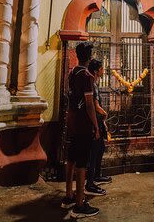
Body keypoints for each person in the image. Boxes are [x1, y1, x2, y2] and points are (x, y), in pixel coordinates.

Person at [62, 41, 101, 218]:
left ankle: (69, 194)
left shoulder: (72, 71)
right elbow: (89, 105)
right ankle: (79, 204)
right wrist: (96, 125)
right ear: (90, 56)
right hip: (83, 124)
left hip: (71, 120)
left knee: (71, 158)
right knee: (82, 162)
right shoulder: (86, 76)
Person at [85, 58, 112, 194]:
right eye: (102, 68)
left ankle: (97, 175)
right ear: (96, 71)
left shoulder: (94, 83)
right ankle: (90, 183)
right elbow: (94, 105)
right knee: (94, 152)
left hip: (98, 122)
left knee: (100, 148)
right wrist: (104, 113)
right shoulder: (92, 85)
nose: (103, 70)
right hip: (95, 122)